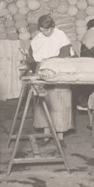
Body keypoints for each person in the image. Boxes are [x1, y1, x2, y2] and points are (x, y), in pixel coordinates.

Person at [29, 14, 75, 144]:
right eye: (42, 30)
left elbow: (66, 54)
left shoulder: (61, 36)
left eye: (47, 30)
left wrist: (49, 60)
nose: (44, 33)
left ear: (52, 27)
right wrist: (30, 59)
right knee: (43, 103)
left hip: (58, 71)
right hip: (43, 72)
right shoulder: (38, 38)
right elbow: (31, 55)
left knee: (60, 104)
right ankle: (46, 135)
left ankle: (60, 137)